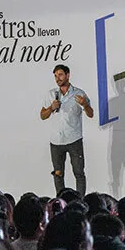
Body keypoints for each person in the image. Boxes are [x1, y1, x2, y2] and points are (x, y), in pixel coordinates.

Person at [40, 64, 94, 196]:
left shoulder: (79, 94)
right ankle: (60, 203)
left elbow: (91, 114)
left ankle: (80, 203)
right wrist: (51, 108)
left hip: (74, 140)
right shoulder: (51, 94)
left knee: (79, 173)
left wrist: (85, 104)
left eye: (60, 75)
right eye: (55, 76)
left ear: (68, 75)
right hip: (56, 141)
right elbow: (42, 116)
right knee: (58, 175)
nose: (57, 78)